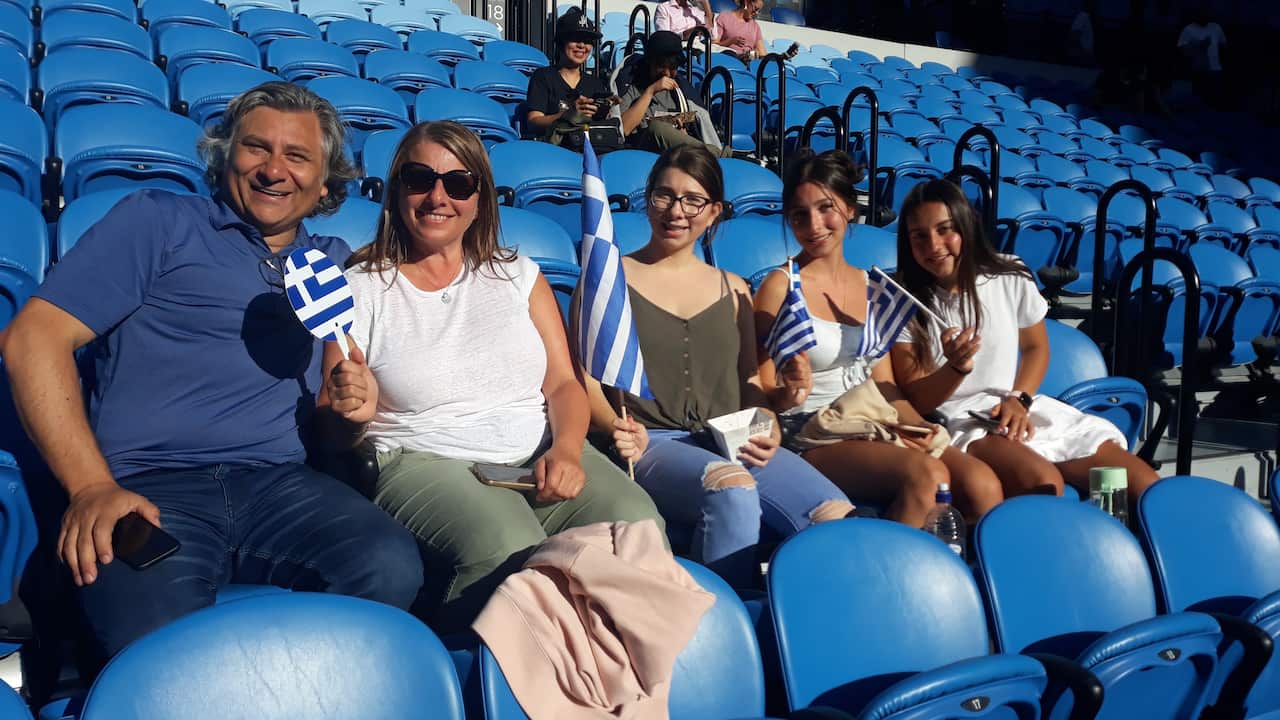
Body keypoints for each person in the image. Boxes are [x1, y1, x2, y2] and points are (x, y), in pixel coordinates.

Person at [0, 82, 423, 658]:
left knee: (390, 566)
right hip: (147, 485)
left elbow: (329, 423)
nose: (275, 170)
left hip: (278, 484)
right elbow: (32, 340)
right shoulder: (159, 222)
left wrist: (350, 416)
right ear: (226, 156)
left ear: (326, 183)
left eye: (297, 157)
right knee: (156, 632)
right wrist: (92, 487)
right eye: (256, 149)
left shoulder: (330, 262)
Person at [322, 121, 662, 632]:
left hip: (538, 452)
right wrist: (353, 415)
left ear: (480, 198)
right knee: (507, 549)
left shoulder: (519, 274)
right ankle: (475, 685)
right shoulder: (358, 288)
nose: (437, 196)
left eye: (458, 183)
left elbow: (563, 386)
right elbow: (332, 423)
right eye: (419, 179)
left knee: (639, 527)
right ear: (396, 189)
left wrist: (567, 450)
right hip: (424, 457)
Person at [578, 144, 854, 588]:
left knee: (836, 515)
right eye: (663, 195)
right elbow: (585, 380)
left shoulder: (735, 289)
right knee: (733, 489)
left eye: (693, 200)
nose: (676, 211)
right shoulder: (609, 279)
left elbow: (750, 383)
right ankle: (722, 624)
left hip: (732, 436)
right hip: (652, 441)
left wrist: (769, 424)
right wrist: (616, 426)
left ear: (715, 213)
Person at [754, 151, 1004, 528]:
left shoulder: (873, 288)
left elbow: (884, 385)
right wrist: (787, 392)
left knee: (982, 484)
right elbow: (759, 385)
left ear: (851, 210)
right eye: (799, 215)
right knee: (928, 477)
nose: (814, 225)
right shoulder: (780, 286)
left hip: (873, 418)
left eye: (826, 208)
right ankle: (882, 579)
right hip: (813, 430)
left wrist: (917, 427)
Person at [888, 179, 1160, 506]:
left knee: (1140, 485)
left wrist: (1020, 399)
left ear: (967, 224)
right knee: (1044, 484)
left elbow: (1036, 348)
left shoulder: (1010, 274)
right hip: (961, 421)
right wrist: (955, 369)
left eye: (945, 229)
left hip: (1017, 408)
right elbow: (917, 399)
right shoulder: (903, 300)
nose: (933, 245)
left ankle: (1111, 540)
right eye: (919, 235)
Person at [618, 30, 726, 155]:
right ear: (650, 62)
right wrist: (650, 91)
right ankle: (716, 156)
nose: (667, 73)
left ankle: (713, 155)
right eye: (661, 66)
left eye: (673, 67)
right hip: (641, 150)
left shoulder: (682, 90)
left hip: (676, 155)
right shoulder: (632, 85)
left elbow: (696, 125)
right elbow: (624, 128)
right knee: (657, 127)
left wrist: (681, 135)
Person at [525, 7, 619, 141]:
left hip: (586, 148)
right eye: (575, 39)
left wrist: (606, 109)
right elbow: (533, 122)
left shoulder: (594, 83)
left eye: (587, 41)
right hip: (553, 149)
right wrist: (568, 115)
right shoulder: (543, 76)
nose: (582, 45)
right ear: (561, 42)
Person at [1177, 10, 1227, 108]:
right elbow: (1181, 48)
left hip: (1215, 68)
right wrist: (1199, 45)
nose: (1204, 17)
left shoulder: (1216, 27)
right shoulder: (1188, 29)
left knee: (1215, 96)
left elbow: (1223, 44)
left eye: (1206, 15)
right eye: (1201, 15)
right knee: (1199, 96)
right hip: (1198, 68)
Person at [654, 0, 719, 43]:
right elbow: (663, 38)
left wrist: (705, 3)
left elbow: (713, 36)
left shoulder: (694, 9)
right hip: (680, 48)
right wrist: (685, 35)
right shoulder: (664, 8)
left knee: (727, 54)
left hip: (700, 47)